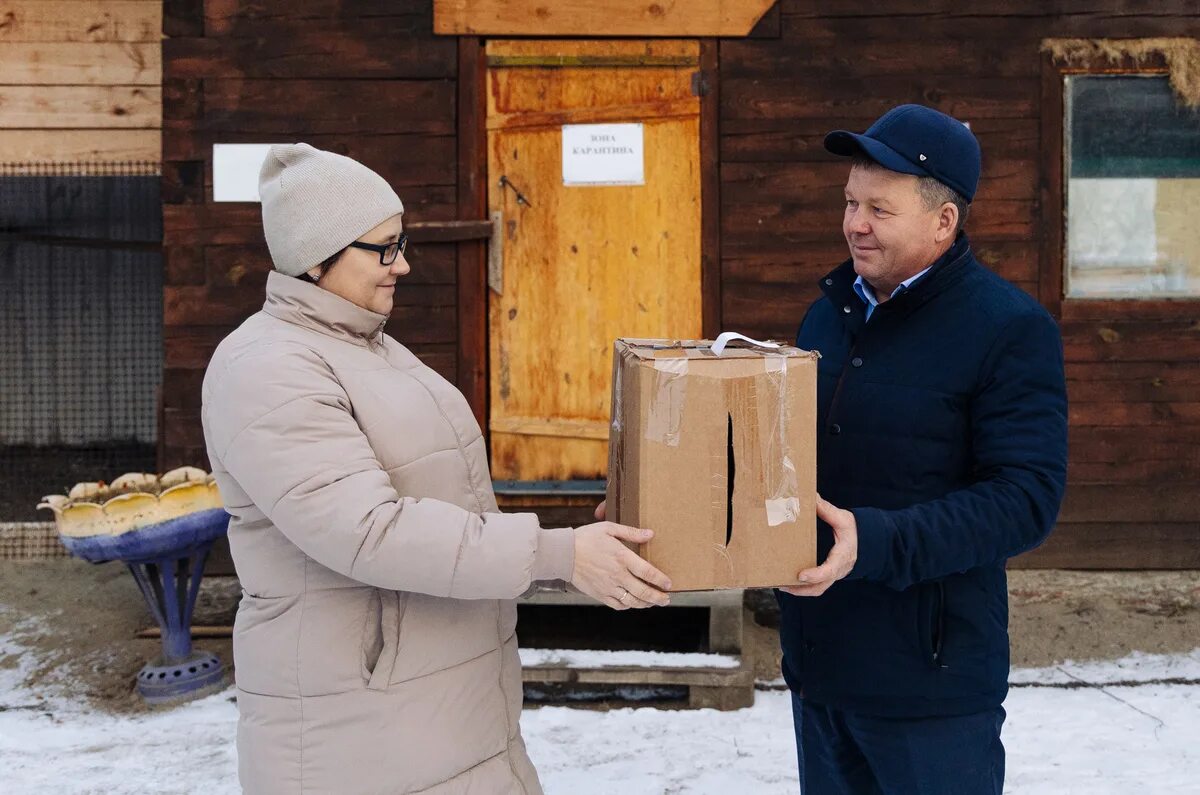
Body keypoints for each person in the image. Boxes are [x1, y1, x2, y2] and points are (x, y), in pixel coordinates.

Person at [201, 143, 672, 794]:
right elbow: (368, 530)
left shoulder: (373, 351)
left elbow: (445, 503)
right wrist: (557, 552)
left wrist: (592, 545)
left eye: (403, 243)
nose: (404, 264)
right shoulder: (267, 368)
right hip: (359, 735)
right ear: (316, 254)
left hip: (443, 715)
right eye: (385, 248)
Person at [776, 105, 1068, 794]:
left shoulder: (1008, 329)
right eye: (850, 202)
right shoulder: (829, 311)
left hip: (930, 688)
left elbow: (1025, 500)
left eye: (880, 207)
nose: (855, 223)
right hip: (821, 671)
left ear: (944, 221)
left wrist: (872, 540)